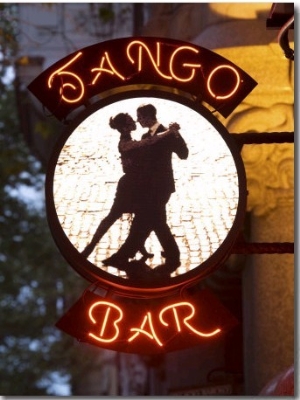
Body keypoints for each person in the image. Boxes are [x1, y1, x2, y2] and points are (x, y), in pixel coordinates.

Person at [103, 104, 189, 276]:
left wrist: (176, 133)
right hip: (148, 189)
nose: (138, 120)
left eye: (140, 117)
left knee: (145, 220)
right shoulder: (144, 136)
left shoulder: (167, 133)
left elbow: (183, 154)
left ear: (148, 117)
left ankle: (123, 255)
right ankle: (172, 254)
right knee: (156, 221)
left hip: (162, 186)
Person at [81, 112, 179, 259]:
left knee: (140, 216)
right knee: (113, 216)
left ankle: (140, 247)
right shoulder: (125, 143)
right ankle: (91, 245)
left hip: (139, 184)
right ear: (126, 128)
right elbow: (150, 142)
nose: (134, 121)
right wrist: (169, 132)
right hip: (128, 187)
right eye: (130, 121)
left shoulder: (130, 139)